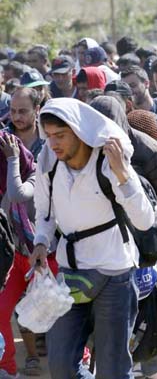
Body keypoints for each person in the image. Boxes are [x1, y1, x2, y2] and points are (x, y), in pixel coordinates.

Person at [30, 97, 155, 377]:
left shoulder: (109, 162)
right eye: (49, 136)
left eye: (60, 135)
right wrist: (41, 241)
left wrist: (123, 174)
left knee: (113, 369)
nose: (53, 143)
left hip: (115, 274)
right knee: (61, 365)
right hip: (70, 272)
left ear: (79, 131)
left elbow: (145, 220)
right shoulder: (48, 161)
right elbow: (44, 212)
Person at [90, 95, 157, 379]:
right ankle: (154, 370)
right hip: (123, 242)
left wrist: (151, 224)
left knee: (156, 305)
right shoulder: (88, 145)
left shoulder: (148, 150)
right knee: (135, 307)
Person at [0, 129, 57, 378]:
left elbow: (17, 194)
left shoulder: (36, 173)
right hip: (16, 259)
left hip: (45, 257)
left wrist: (13, 160)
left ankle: (80, 365)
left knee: (53, 313)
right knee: (4, 310)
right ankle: (8, 368)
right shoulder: (2, 181)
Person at [4, 87, 45, 159]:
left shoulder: (49, 139)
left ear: (36, 110)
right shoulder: (2, 139)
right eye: (13, 111)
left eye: (23, 111)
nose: (17, 117)